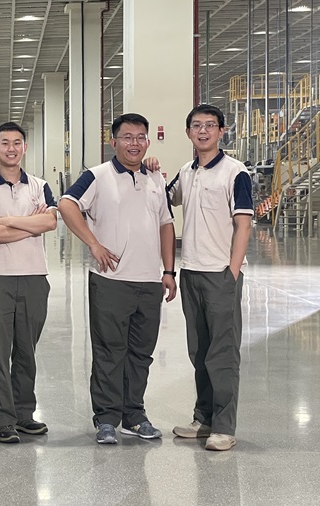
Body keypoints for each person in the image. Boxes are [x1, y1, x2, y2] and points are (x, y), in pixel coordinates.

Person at [58, 113, 177, 445]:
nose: (134, 143)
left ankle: (134, 415)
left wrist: (168, 271)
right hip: (110, 281)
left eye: (140, 137)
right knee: (109, 352)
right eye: (127, 137)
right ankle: (107, 418)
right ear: (113, 142)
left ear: (148, 142)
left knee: (141, 353)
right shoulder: (97, 176)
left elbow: (166, 224)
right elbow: (66, 204)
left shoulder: (155, 179)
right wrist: (93, 243)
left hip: (149, 281)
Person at [149, 104, 253, 451]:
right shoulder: (187, 171)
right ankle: (204, 418)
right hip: (191, 273)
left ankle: (223, 426)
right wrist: (152, 170)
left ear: (222, 131)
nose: (203, 131)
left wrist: (232, 272)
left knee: (222, 353)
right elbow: (164, 198)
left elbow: (243, 224)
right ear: (188, 133)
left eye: (210, 125)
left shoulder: (235, 172)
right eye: (197, 126)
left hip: (220, 274)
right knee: (200, 351)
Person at [0, 122, 57, 444]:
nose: (11, 148)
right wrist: (31, 224)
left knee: (26, 351)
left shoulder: (40, 185)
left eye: (17, 142)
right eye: (5, 143)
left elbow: (51, 221)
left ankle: (24, 414)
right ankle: (3, 420)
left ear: (25, 147)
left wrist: (9, 220)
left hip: (35, 277)